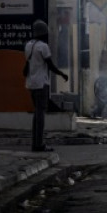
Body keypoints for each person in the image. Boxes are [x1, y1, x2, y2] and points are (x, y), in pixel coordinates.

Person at [24, 20, 68, 152]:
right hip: (41, 83)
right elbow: (50, 65)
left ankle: (35, 143)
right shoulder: (43, 46)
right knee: (40, 114)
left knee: (37, 114)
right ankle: (39, 145)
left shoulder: (29, 45)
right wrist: (62, 74)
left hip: (31, 83)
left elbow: (27, 65)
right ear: (43, 33)